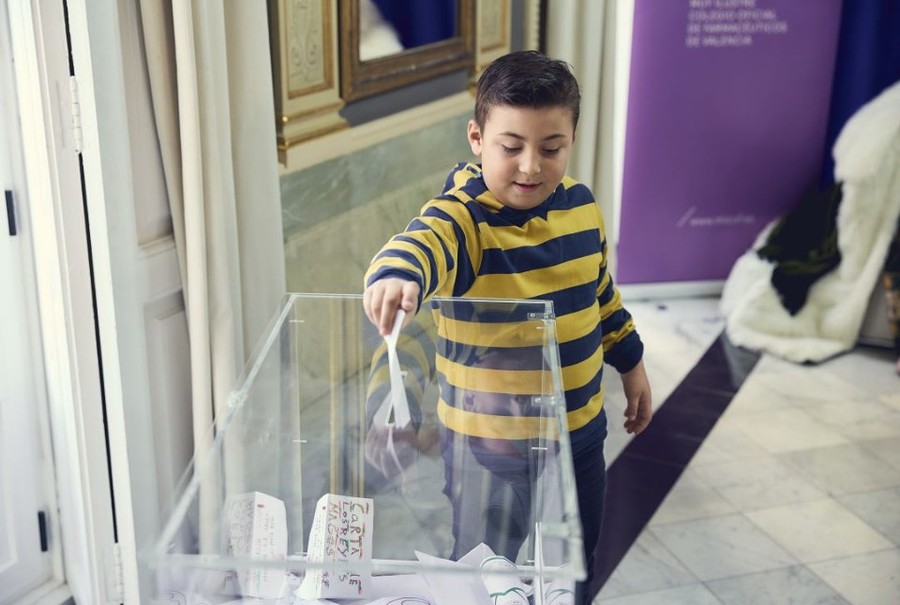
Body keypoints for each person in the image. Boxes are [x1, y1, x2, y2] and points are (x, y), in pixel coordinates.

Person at [362, 50, 653, 604]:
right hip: (487, 447)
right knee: (485, 572)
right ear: (477, 138)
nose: (530, 167)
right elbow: (421, 242)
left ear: (572, 139)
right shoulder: (464, 218)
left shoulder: (582, 207)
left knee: (572, 567)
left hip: (577, 433)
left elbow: (600, 296)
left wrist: (632, 362)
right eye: (511, 147)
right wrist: (397, 275)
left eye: (551, 148)